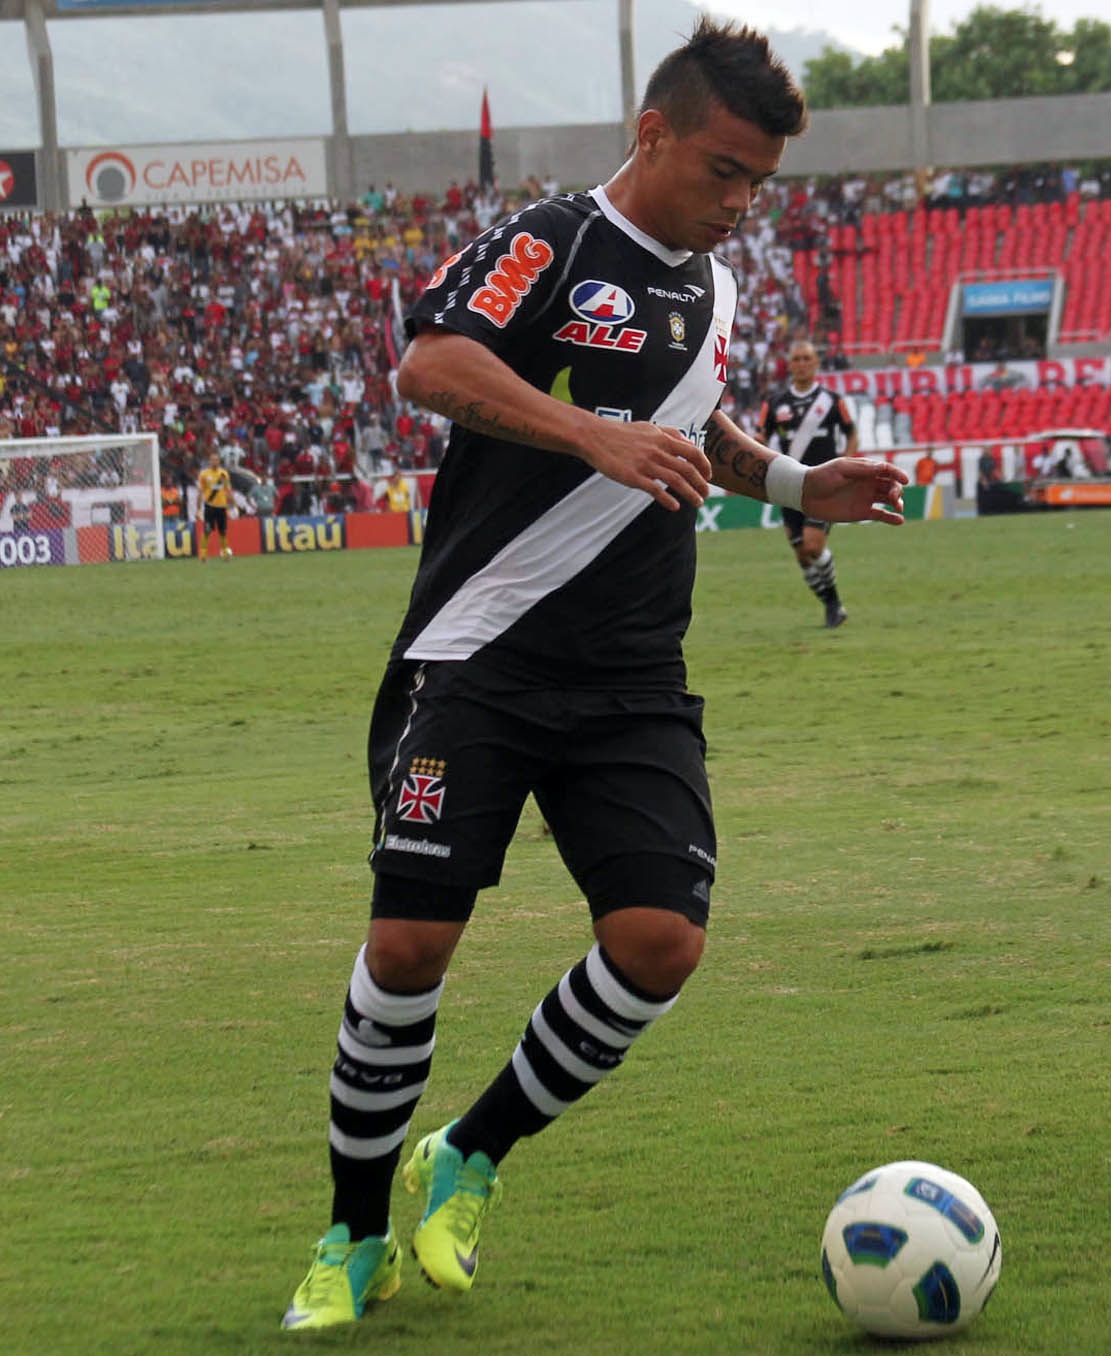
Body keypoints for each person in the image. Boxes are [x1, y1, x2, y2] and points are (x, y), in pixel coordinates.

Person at [281, 20, 906, 1331]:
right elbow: (429, 362)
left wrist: (799, 485)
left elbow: (690, 425)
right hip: (480, 653)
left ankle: (472, 1153)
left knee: (659, 943)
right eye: (725, 172)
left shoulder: (712, 287)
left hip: (631, 674)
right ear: (653, 133)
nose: (740, 204)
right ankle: (351, 1236)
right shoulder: (551, 240)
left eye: (760, 184)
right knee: (408, 945)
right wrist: (589, 433)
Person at [755, 336, 859, 627]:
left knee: (813, 546)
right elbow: (761, 437)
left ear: (816, 363)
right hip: (789, 486)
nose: (801, 364)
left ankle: (833, 604)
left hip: (823, 486)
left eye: (806, 359)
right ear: (789, 365)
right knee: (802, 555)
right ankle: (832, 604)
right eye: (796, 359)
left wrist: (847, 465)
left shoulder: (832, 401)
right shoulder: (775, 403)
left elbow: (851, 434)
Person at [196, 448, 233, 559]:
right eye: (212, 460)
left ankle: (225, 553)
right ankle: (203, 554)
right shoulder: (204, 474)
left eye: (216, 460)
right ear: (209, 461)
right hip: (210, 506)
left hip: (222, 506)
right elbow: (200, 492)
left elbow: (228, 490)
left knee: (223, 532)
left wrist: (232, 505)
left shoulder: (224, 474)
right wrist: (198, 509)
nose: (214, 462)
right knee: (207, 530)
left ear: (219, 461)